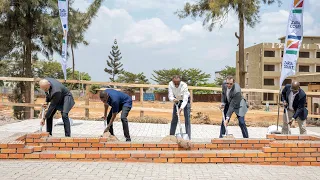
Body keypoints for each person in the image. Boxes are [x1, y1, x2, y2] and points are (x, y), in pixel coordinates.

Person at [168, 75, 191, 139]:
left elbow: (185, 99)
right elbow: (170, 95)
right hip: (176, 100)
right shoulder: (170, 84)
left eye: (177, 83)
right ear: (172, 81)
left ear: (180, 81)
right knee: (174, 118)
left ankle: (188, 137)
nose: (176, 85)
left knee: (187, 118)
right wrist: (173, 99)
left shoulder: (184, 85)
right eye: (174, 83)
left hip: (185, 100)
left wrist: (180, 109)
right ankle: (171, 137)